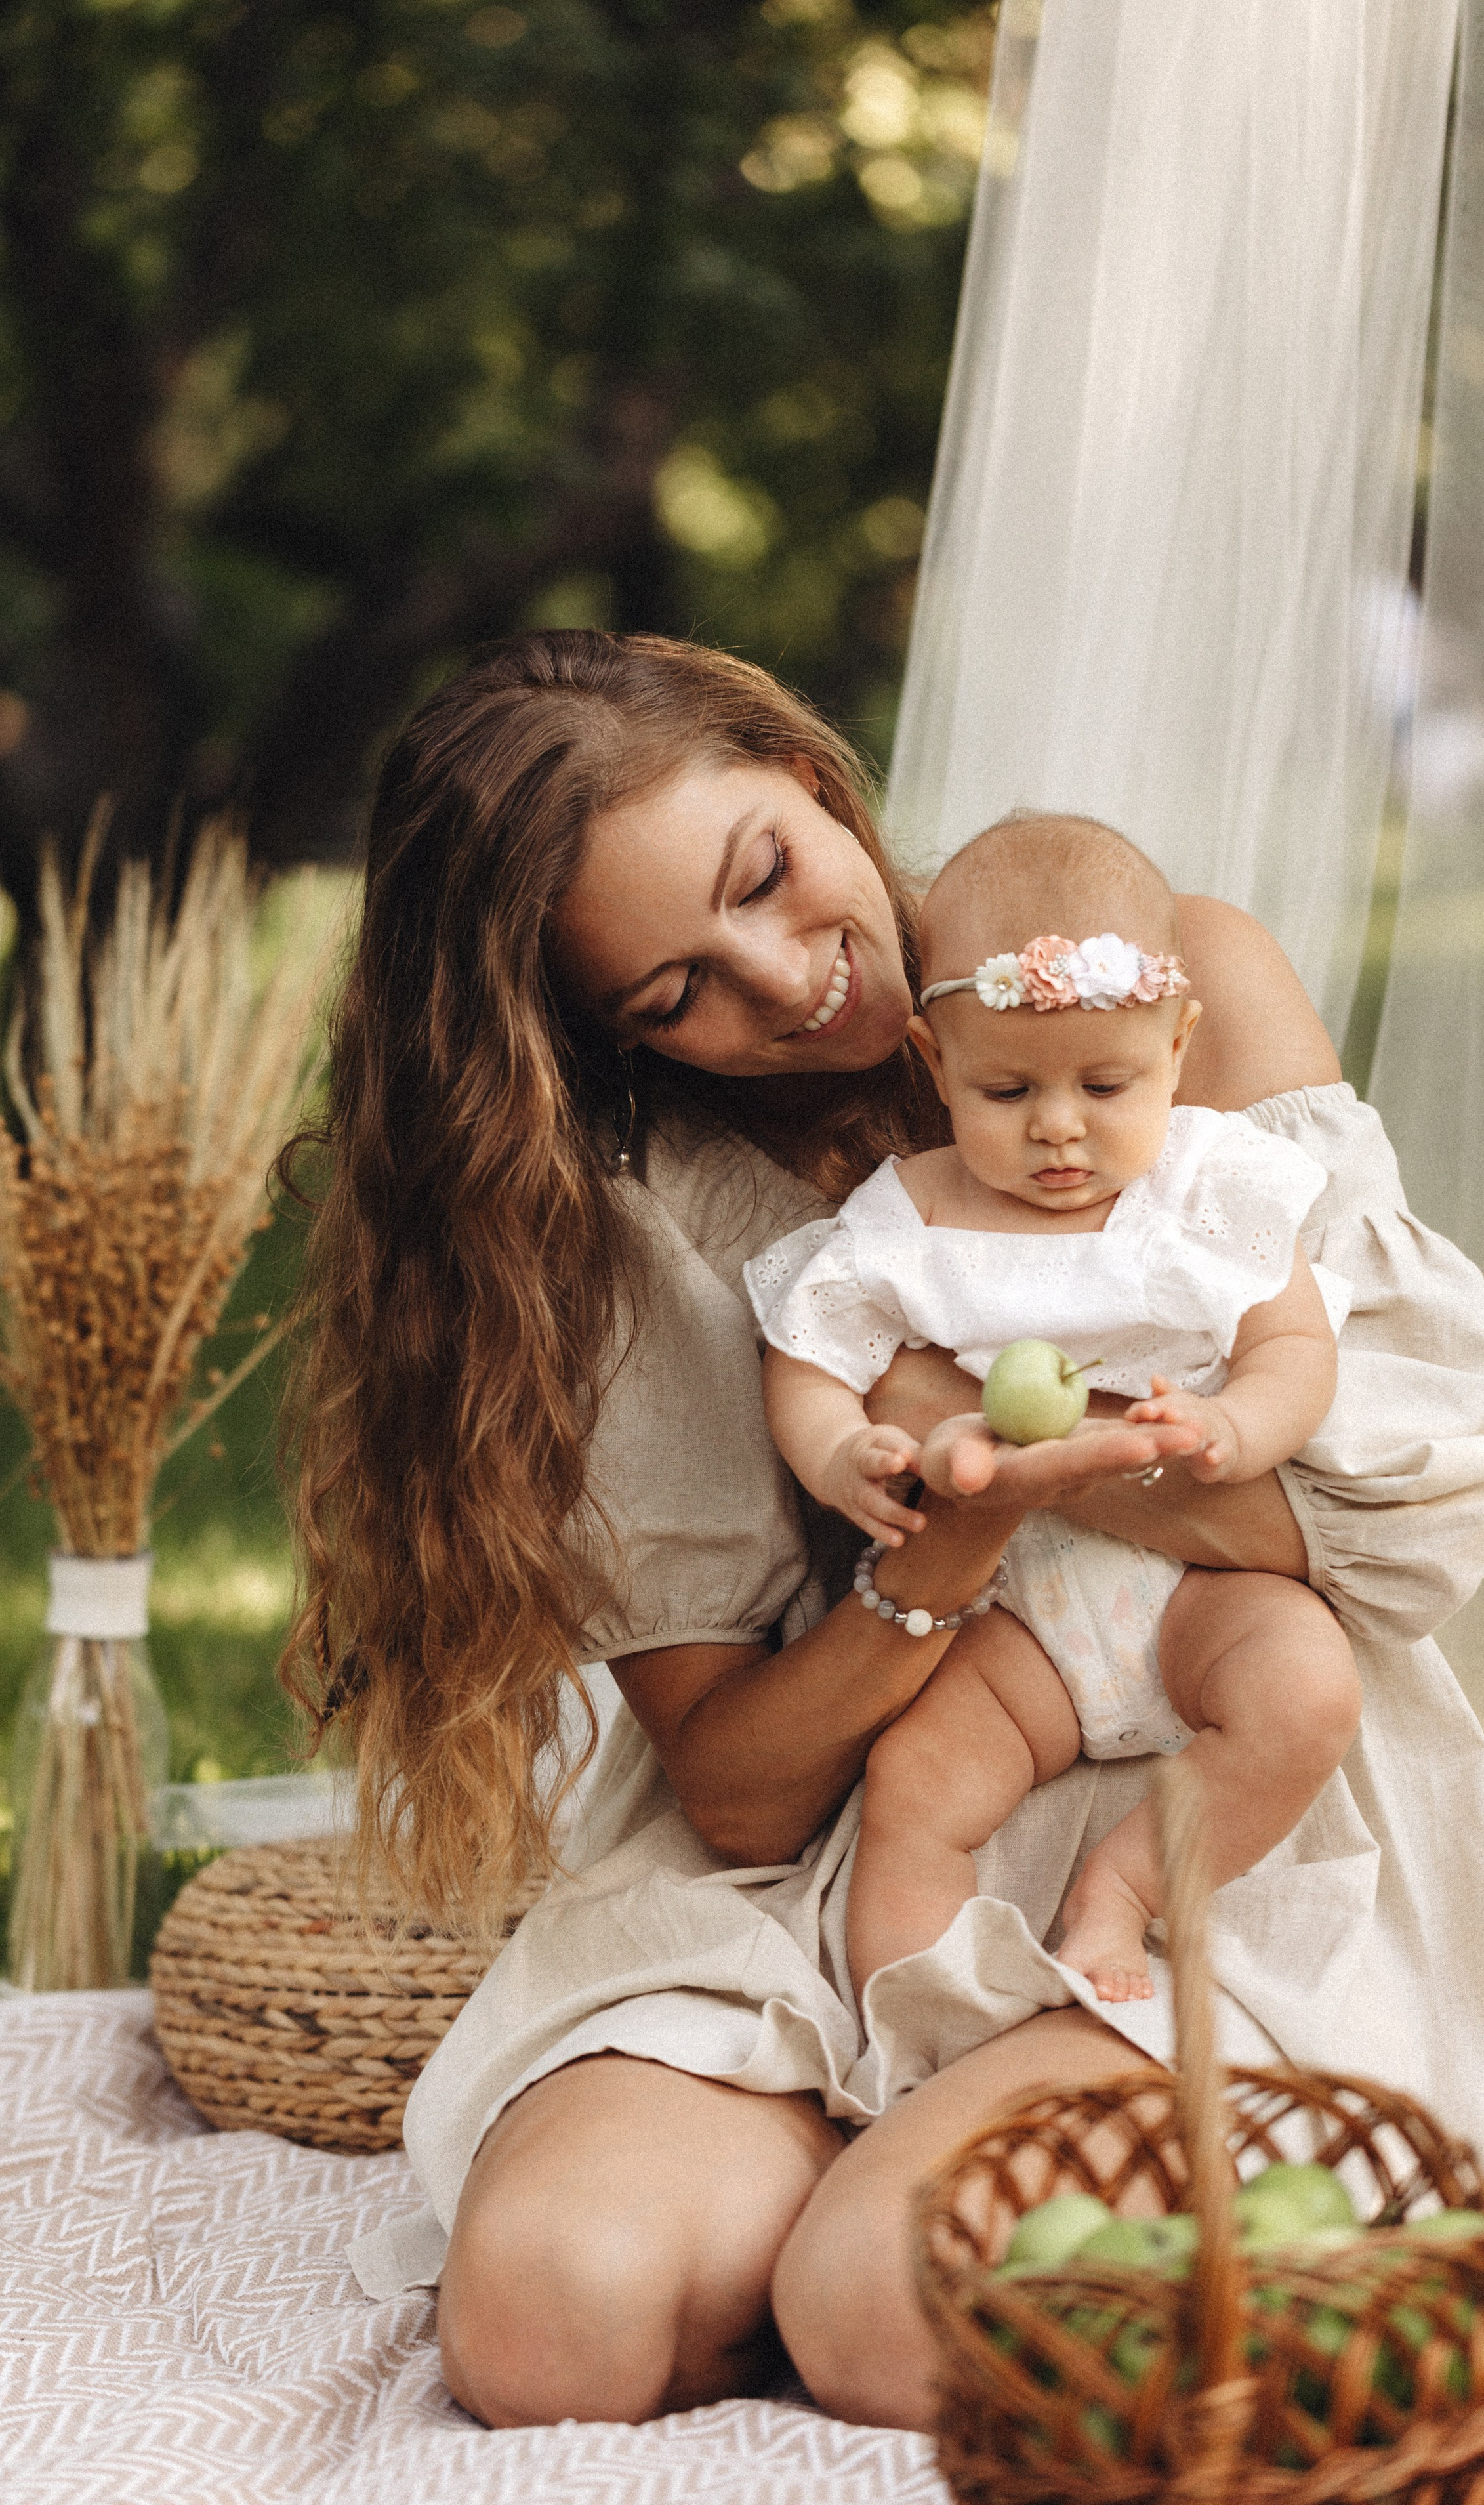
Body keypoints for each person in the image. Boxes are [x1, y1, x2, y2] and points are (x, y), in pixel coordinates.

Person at [281, 630, 1484, 2436]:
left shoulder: (1177, 986)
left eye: (766, 874)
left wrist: (1025, 1444)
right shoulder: (647, 1227)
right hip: (848, 1857)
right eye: (673, 992)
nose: (784, 982)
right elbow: (746, 1792)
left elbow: (1400, 1524)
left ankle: (1025, 2173)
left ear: (808, 770)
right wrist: (929, 1566)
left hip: (1216, 1789)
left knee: (889, 2308)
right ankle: (893, 2134)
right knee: (549, 2326)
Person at [746, 813, 1361, 2004]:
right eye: (1008, 1087)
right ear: (934, 1063)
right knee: (918, 1786)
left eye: (1106, 1083)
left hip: (1201, 1594)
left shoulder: (1210, 1185)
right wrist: (842, 1454)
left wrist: (1240, 1430)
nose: (1059, 1126)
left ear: (1180, 1046)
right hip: (1014, 1611)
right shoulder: (909, 1217)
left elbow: (1295, 1344)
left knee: (1305, 1698)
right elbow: (808, 1352)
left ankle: (1121, 1896)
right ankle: (913, 2013)